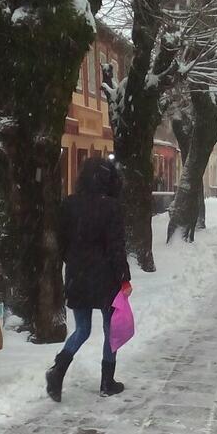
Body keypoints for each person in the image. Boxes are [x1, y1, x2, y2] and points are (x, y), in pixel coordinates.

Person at [46, 157, 133, 402]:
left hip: (77, 275)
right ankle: (107, 381)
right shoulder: (112, 207)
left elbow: (61, 242)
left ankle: (58, 370)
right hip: (106, 278)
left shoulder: (69, 204)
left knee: (82, 329)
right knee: (110, 330)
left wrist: (74, 263)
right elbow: (116, 247)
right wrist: (124, 277)